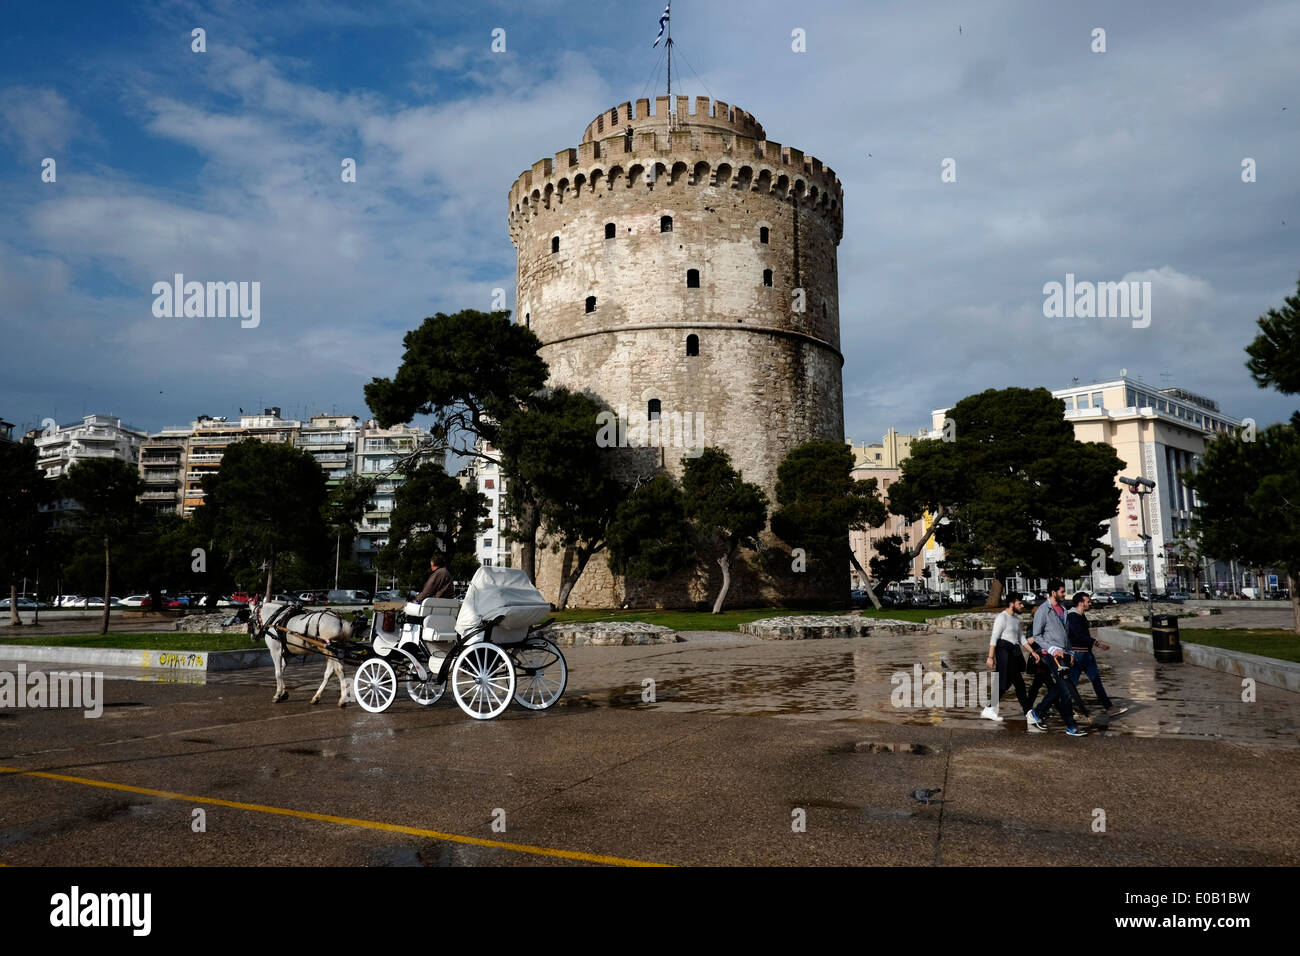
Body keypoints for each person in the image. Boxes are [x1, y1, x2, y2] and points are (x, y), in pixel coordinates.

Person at [1024, 579, 1087, 737]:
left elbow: (1065, 634)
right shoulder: (1043, 610)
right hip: (1051, 655)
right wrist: (1052, 649)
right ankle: (1070, 726)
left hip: (1064, 653)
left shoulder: (1063, 609)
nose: (1064, 594)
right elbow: (1036, 635)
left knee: (1061, 687)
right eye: (1062, 592)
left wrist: (1070, 652)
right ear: (1053, 592)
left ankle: (1037, 713)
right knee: (1065, 690)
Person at [1067, 592, 1125, 717]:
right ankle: (1059, 706)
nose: (1090, 603)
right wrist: (1097, 643)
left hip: (1087, 654)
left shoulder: (1081, 616)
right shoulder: (1072, 616)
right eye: (1088, 601)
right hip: (1077, 655)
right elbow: (1079, 635)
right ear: (1081, 603)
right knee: (1071, 684)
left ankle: (1109, 708)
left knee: (1096, 680)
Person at [982, 596, 1032, 721]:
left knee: (1005, 684)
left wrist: (1032, 652)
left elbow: (1021, 638)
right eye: (1020, 603)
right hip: (1004, 653)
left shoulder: (1015, 618)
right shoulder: (1002, 617)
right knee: (1019, 683)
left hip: (1014, 653)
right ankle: (1028, 712)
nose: (1022, 606)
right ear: (1011, 603)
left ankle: (989, 708)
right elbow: (994, 638)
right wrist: (990, 657)